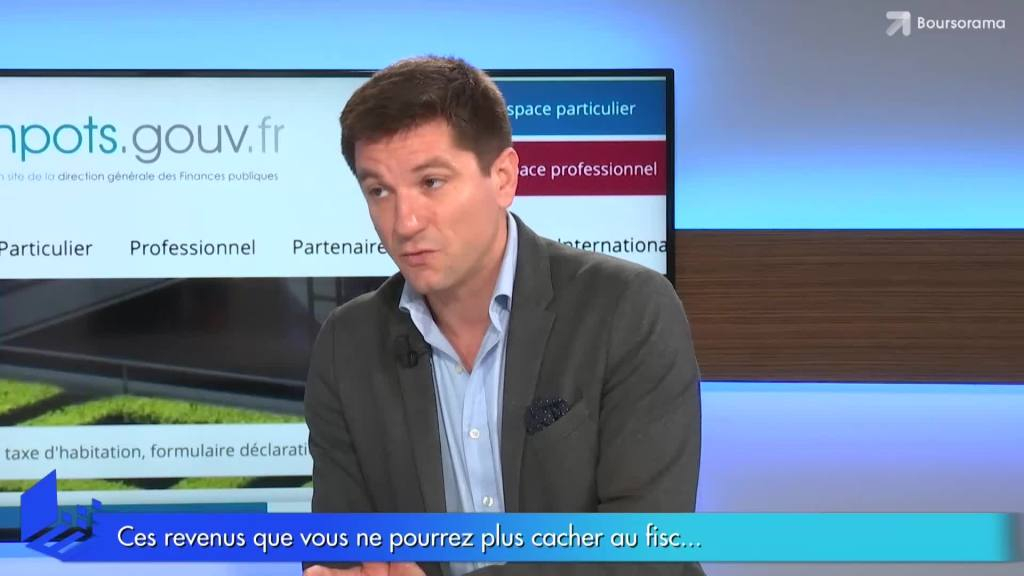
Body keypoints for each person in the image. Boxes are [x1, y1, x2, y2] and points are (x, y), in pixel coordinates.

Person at [303, 56, 703, 576]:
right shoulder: (348, 344)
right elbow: (339, 546)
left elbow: (643, 547)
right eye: (379, 190)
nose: (404, 222)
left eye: (431, 182)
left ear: (503, 178)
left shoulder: (628, 309)